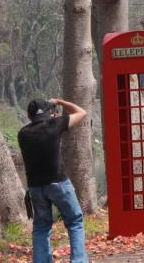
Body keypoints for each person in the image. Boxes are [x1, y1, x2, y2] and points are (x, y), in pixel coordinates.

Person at [18, 97, 89, 263]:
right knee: (75, 221)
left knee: (41, 227)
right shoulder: (54, 125)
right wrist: (60, 102)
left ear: (29, 116)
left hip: (36, 187)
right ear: (50, 112)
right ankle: (78, 260)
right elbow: (81, 112)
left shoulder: (23, 134)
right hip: (58, 183)